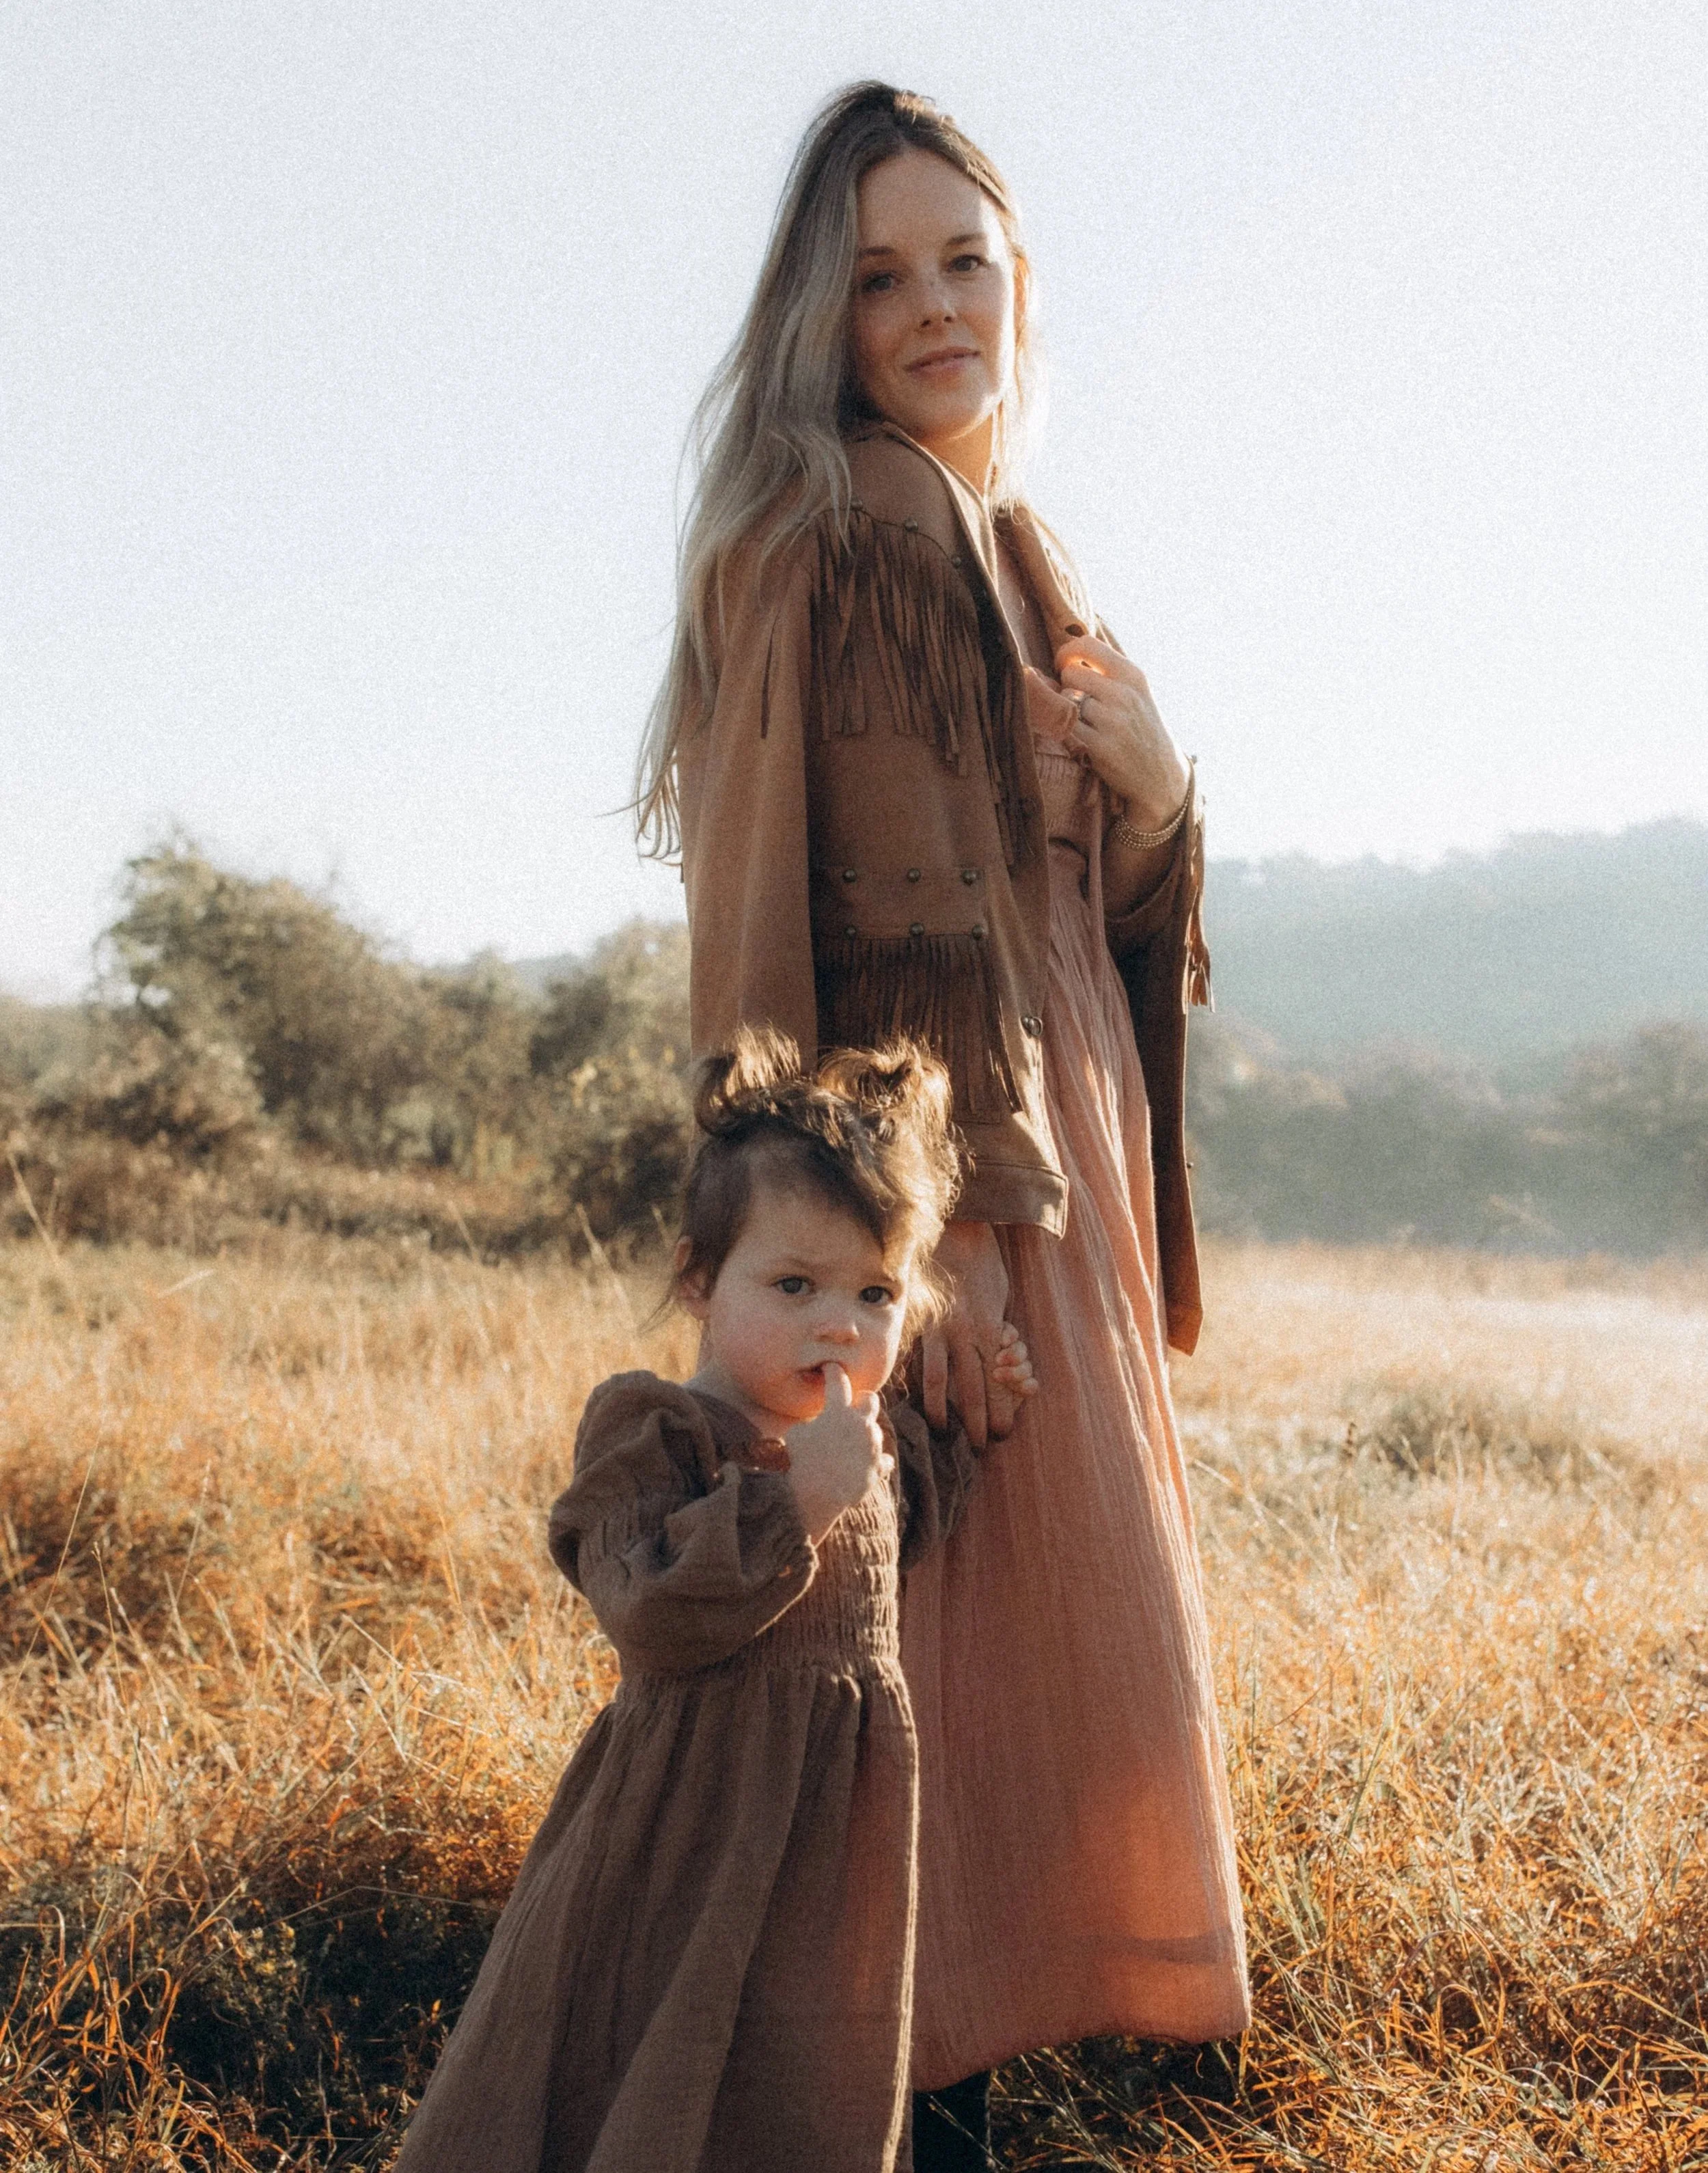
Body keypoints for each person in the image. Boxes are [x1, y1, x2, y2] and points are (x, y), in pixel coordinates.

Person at [636, 81, 1252, 2170]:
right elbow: (816, 948)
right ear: (822, 309)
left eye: (962, 261)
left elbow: (1086, 924)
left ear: (1022, 282)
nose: (928, 307)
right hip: (950, 1215)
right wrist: (908, 1260)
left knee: (1018, 1704)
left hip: (1039, 1184)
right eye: (877, 273)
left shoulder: (1017, 555)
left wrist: (1158, 781)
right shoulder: (839, 538)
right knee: (920, 1706)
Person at [393, 1028, 1034, 2173]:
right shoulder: (657, 1427)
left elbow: (911, 1525)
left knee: (792, 2072)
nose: (839, 1324)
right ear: (699, 1278)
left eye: (874, 1292)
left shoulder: (858, 1437)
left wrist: (972, 1413)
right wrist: (796, 1504)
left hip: (831, 1825)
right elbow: (647, 1610)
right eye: (793, 1284)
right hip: (687, 1822)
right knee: (647, 2049)